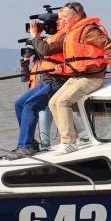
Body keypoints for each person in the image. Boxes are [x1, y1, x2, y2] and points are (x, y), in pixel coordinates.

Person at [48, 2, 111, 155]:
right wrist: (63, 68)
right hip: (78, 76)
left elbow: (110, 46)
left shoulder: (88, 30)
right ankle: (73, 139)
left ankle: (69, 142)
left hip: (92, 77)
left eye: (65, 17)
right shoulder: (73, 32)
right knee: (53, 102)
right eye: (61, 18)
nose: (62, 21)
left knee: (63, 101)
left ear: (77, 15)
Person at [6, 10, 69, 160]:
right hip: (46, 81)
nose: (46, 27)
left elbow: (46, 50)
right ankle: (30, 142)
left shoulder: (65, 36)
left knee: (30, 105)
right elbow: (44, 55)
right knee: (20, 103)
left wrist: (36, 37)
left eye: (50, 23)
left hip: (58, 81)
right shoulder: (52, 37)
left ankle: (25, 147)